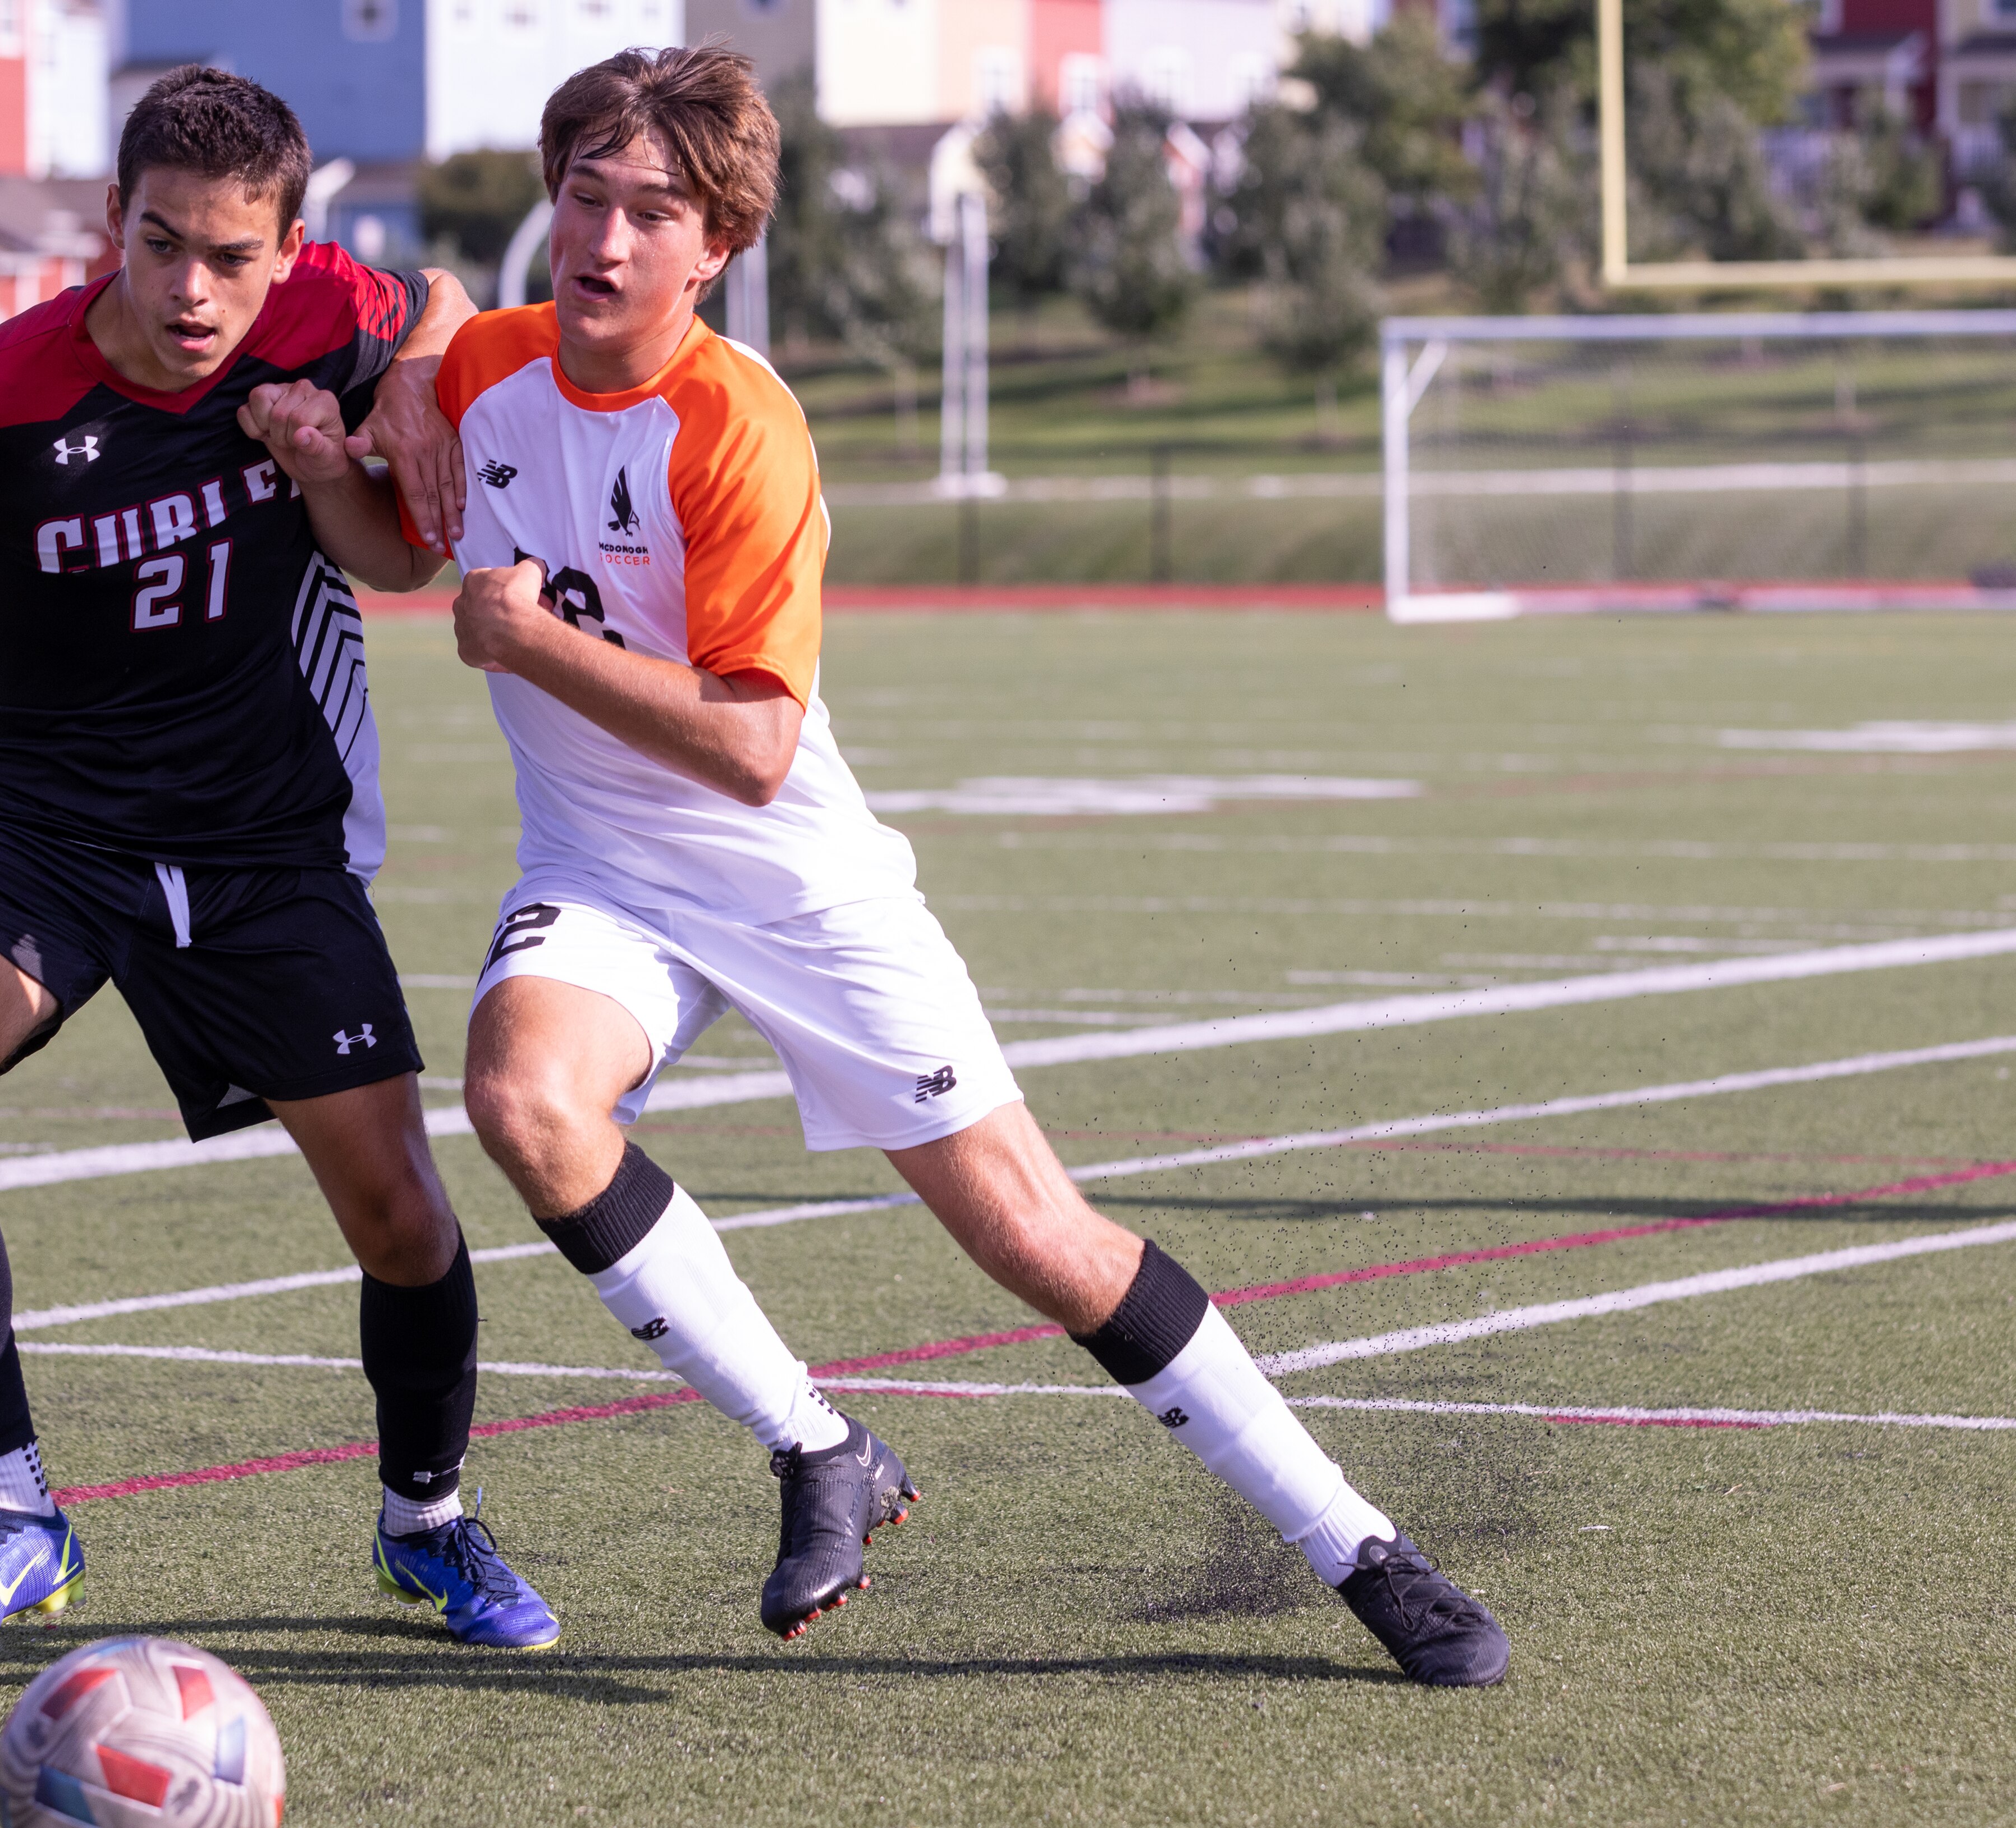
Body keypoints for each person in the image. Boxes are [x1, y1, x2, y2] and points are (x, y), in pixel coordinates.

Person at [429, 46, 1511, 1685]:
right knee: (521, 1094)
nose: (607, 236)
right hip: (602, 872)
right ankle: (816, 1448)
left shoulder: (738, 427)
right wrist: (350, 421)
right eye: (586, 196)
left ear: (713, 244)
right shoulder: (488, 364)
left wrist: (522, 641)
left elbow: (749, 746)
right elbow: (406, 446)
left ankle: (1357, 1543)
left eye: (653, 210)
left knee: (1035, 1236)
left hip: (792, 875)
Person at [0, 66, 556, 1667]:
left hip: (265, 839)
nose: (193, 288)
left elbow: (442, 303)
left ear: (288, 248)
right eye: (159, 245)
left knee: (404, 1218)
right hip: (34, 822)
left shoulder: (326, 311)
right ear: (109, 227)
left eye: (231, 254)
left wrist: (409, 377)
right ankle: (9, 1509)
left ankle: (425, 1518)